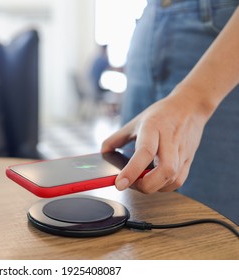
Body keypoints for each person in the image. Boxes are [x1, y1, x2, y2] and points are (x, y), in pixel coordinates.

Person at [101, 0, 239, 224]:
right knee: (133, 220)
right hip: (149, 21)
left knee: (208, 237)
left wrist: (195, 98)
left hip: (222, 30)